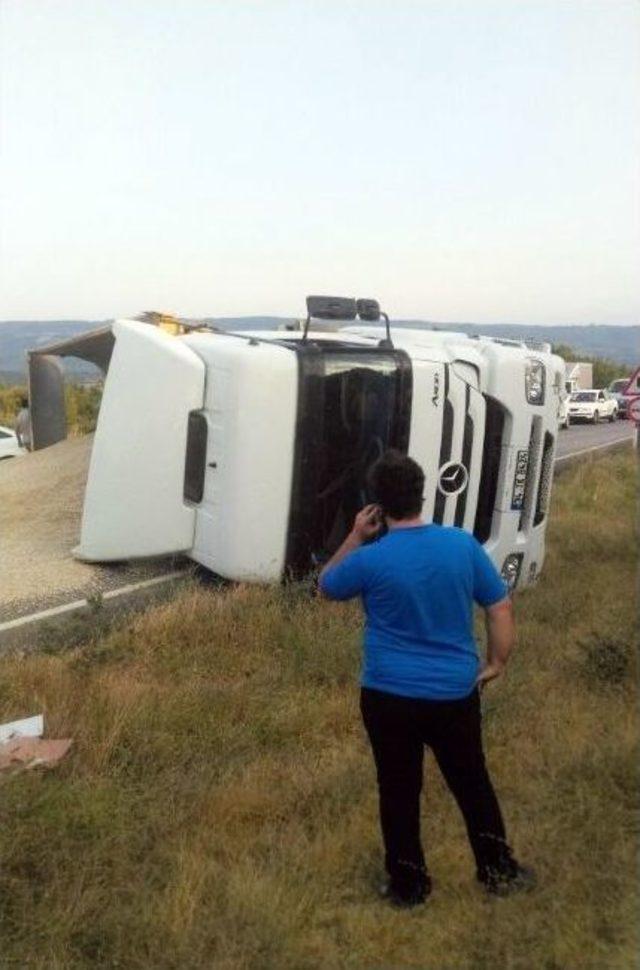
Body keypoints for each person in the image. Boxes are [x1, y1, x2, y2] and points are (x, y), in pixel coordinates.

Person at [319, 449, 535, 907]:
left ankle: (409, 885)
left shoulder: (370, 559)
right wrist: (496, 662)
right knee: (472, 781)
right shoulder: (461, 546)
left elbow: (326, 585)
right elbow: (499, 607)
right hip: (454, 694)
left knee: (398, 789)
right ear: (423, 494)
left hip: (387, 695)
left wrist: (356, 536)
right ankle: (497, 871)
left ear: (375, 505)